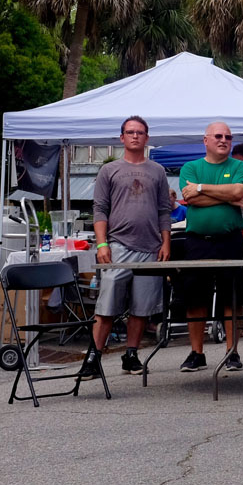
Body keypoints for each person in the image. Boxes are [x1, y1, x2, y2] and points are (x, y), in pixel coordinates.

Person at [79, 116, 171, 380]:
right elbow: (99, 209)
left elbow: (164, 210)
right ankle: (93, 357)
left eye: (140, 132)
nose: (135, 136)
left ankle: (131, 355)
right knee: (106, 306)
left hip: (150, 248)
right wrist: (102, 243)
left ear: (147, 138)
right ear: (121, 138)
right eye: (130, 132)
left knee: (142, 307)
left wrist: (165, 241)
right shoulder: (109, 170)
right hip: (117, 246)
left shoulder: (158, 171)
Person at [178, 122, 243, 373]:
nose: (224, 140)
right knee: (194, 298)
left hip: (230, 240)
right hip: (197, 242)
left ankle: (232, 351)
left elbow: (238, 190)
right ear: (205, 140)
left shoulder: (240, 166)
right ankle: (196, 353)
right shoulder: (191, 167)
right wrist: (229, 198)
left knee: (232, 297)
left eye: (228, 137)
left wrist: (201, 188)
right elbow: (189, 198)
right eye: (218, 136)